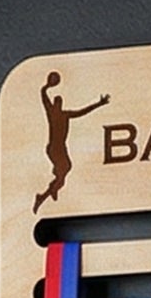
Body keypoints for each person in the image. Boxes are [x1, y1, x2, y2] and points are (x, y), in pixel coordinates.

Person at [33, 71, 110, 214]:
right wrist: (46, 87)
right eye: (56, 102)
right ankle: (49, 190)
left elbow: (83, 111)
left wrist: (99, 104)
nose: (57, 104)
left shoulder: (65, 115)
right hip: (55, 148)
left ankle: (49, 191)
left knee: (65, 172)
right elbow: (44, 99)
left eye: (59, 102)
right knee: (65, 169)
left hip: (60, 148)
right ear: (54, 105)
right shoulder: (53, 113)